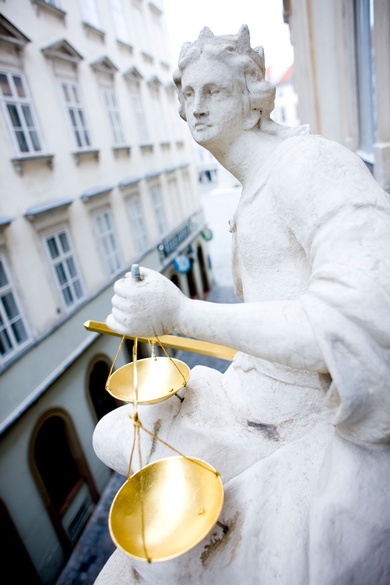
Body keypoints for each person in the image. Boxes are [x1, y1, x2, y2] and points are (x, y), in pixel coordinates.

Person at [93, 25, 390, 585]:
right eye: (187, 94)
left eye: (215, 91)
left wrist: (180, 315)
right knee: (112, 433)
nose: (195, 107)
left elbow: (366, 309)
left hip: (307, 419)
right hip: (246, 396)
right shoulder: (249, 190)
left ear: (254, 102)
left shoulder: (310, 166)